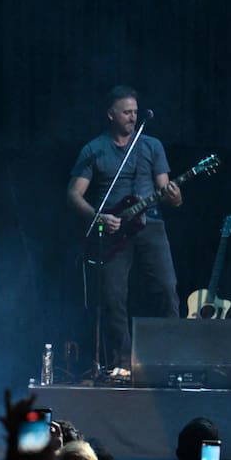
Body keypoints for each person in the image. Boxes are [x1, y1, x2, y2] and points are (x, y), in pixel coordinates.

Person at [67, 85, 183, 382]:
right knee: (113, 296)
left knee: (168, 289)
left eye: (135, 111)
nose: (133, 117)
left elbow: (166, 189)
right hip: (113, 229)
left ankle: (168, 357)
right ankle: (123, 361)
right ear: (111, 115)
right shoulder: (94, 149)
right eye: (127, 112)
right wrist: (100, 217)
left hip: (150, 224)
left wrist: (174, 195)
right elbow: (74, 194)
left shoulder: (152, 146)